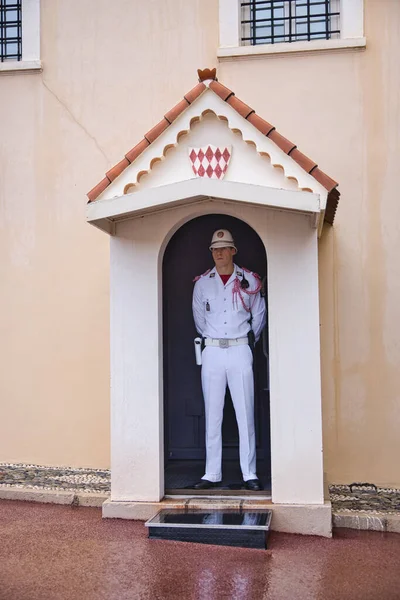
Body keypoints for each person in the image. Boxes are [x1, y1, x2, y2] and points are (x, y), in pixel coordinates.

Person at [192, 229, 266, 491]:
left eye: (224, 248)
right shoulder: (202, 283)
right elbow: (200, 320)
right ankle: (212, 473)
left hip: (239, 348)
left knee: (245, 412)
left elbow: (258, 316)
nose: (219, 253)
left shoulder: (249, 280)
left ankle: (250, 473)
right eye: (215, 248)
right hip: (212, 350)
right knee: (213, 412)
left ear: (233, 251)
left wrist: (246, 342)